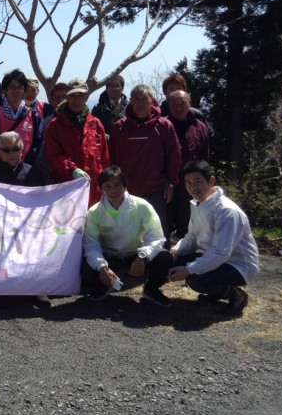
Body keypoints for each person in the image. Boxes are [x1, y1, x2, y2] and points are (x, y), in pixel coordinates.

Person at [169, 160, 260, 316]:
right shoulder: (198, 203)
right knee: (176, 260)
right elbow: (192, 237)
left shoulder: (227, 211)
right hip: (218, 258)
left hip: (239, 265)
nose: (192, 187)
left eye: (197, 181)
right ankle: (216, 291)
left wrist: (189, 269)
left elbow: (221, 252)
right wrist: (174, 252)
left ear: (211, 181)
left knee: (195, 279)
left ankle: (236, 295)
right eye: (188, 183)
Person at [82, 166, 175, 306]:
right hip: (110, 257)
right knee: (85, 266)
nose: (113, 190)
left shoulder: (142, 205)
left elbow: (156, 236)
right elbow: (91, 243)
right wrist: (102, 267)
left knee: (165, 257)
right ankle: (106, 284)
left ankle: (151, 289)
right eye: (107, 186)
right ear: (101, 189)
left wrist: (142, 255)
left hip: (136, 255)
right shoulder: (94, 212)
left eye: (117, 185)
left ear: (125, 186)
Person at [0, 131, 49, 309]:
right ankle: (6, 288)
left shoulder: (34, 174)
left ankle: (37, 289)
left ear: (22, 149)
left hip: (27, 226)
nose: (12, 153)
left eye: (16, 149)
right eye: (6, 149)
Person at [110, 84, 181, 239]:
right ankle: (131, 261)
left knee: (158, 229)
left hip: (156, 189)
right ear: (131, 102)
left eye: (144, 99)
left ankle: (161, 261)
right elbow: (112, 159)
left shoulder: (164, 126)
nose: (140, 103)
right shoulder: (119, 127)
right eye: (136, 99)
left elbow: (174, 156)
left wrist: (170, 182)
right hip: (128, 190)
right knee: (129, 231)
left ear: (152, 101)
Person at [44, 78, 110, 206]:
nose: (76, 100)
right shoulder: (55, 125)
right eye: (72, 96)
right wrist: (72, 170)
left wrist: (106, 182)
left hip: (94, 190)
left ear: (86, 97)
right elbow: (54, 156)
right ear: (67, 98)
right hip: (66, 188)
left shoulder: (96, 123)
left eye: (80, 96)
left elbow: (105, 158)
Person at [165, 90, 211, 239]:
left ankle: (184, 258)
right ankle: (162, 260)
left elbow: (204, 156)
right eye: (174, 104)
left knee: (188, 226)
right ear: (168, 105)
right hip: (165, 185)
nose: (178, 107)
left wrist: (203, 182)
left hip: (190, 185)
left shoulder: (200, 127)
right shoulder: (161, 125)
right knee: (162, 225)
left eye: (183, 103)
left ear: (189, 104)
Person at [0, 69, 43, 166]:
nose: (16, 91)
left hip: (26, 170)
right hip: (2, 169)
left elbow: (38, 144)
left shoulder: (34, 116)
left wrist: (25, 165)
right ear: (5, 90)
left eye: (20, 87)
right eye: (12, 87)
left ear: (24, 90)